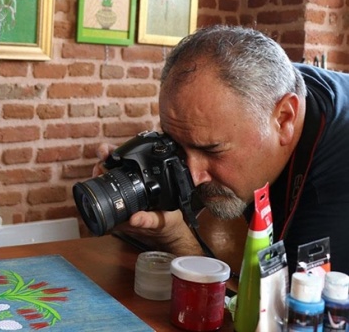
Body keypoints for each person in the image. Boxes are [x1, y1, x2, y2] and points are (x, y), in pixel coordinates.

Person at [94, 25, 349, 275]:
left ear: (284, 118)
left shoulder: (330, 196)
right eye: (176, 145)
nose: (193, 176)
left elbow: (275, 314)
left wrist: (176, 239)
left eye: (213, 150)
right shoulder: (277, 87)